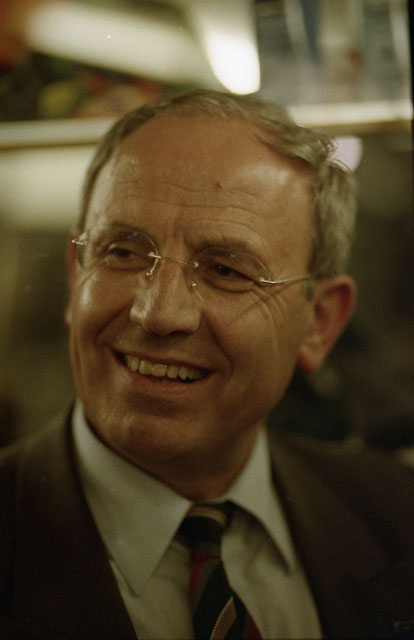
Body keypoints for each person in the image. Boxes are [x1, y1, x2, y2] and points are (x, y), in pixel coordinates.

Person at [0, 90, 413, 640]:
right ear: (78, 279)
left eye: (225, 270)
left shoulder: (397, 515)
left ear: (318, 322)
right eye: (123, 251)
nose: (158, 313)